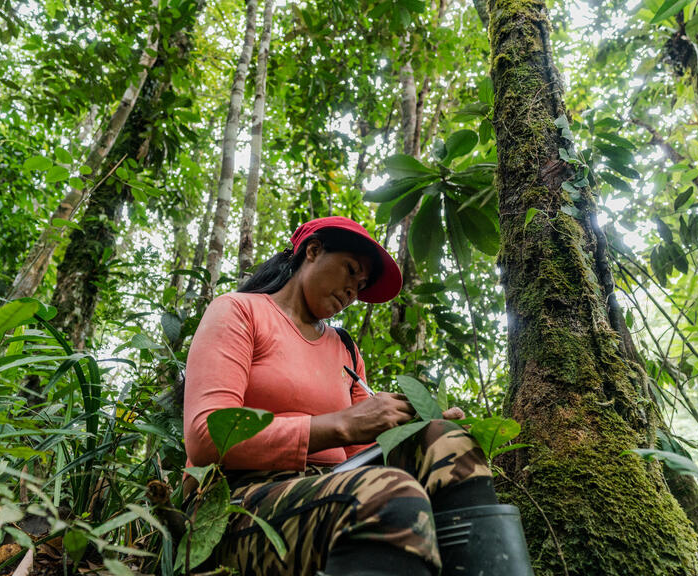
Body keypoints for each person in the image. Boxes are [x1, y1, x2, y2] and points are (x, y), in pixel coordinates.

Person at [183, 216, 499, 576]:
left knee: (448, 443)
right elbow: (205, 437)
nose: (353, 291)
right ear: (313, 251)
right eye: (350, 271)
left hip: (327, 488)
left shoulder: (346, 350)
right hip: (231, 505)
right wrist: (340, 425)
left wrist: (414, 427)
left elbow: (359, 456)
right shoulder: (240, 311)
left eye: (361, 285)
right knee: (388, 496)